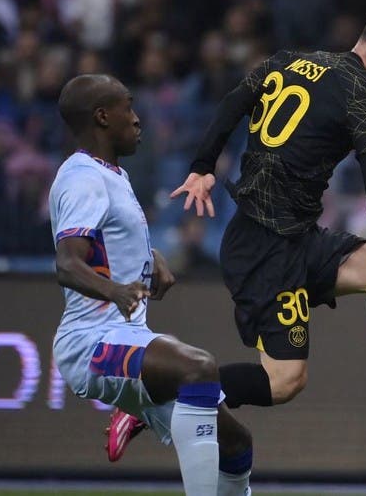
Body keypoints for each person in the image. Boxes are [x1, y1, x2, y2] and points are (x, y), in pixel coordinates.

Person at [172, 3, 366, 413]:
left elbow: (235, 101)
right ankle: (159, 398)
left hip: (297, 237)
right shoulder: (360, 99)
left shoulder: (289, 59)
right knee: (284, 381)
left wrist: (203, 166)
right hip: (263, 249)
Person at [49, 74, 253, 495]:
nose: (138, 119)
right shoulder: (82, 177)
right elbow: (68, 263)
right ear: (103, 117)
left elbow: (107, 244)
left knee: (236, 444)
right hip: (91, 344)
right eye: (128, 107)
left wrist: (148, 261)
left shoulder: (111, 175)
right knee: (197, 367)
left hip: (126, 336)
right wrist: (116, 292)